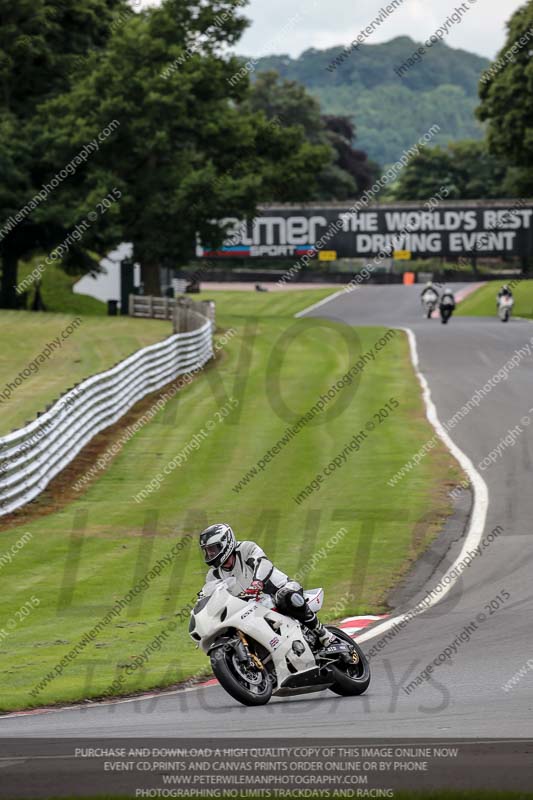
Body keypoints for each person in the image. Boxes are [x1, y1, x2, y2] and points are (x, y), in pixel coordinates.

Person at [198, 523, 336, 649]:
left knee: (285, 597)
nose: (210, 554)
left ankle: (325, 635)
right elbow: (212, 595)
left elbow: (263, 563)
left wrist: (257, 583)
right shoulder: (213, 575)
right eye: (207, 551)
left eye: (213, 549)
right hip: (251, 609)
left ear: (225, 543)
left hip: (277, 591)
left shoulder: (246, 548)